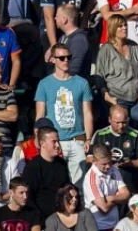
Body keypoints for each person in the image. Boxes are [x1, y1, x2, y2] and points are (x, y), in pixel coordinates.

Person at [34, 44, 94, 185]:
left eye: (69, 57)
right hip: (55, 141)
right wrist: (38, 136)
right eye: (61, 58)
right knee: (55, 183)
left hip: (77, 140)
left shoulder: (82, 83)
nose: (66, 60)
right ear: (53, 60)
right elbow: (40, 115)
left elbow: (87, 113)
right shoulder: (44, 84)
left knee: (78, 186)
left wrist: (88, 139)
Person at [96, 14, 138, 145]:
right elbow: (99, 77)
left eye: (125, 25)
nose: (124, 28)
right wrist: (107, 97)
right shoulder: (106, 49)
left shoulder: (134, 46)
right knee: (120, 132)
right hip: (117, 99)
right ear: (113, 28)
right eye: (120, 26)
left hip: (136, 100)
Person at [89, 105, 138, 193]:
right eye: (117, 123)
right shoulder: (100, 135)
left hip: (129, 182)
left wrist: (131, 163)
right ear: (109, 119)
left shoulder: (136, 135)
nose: (121, 126)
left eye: (124, 122)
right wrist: (105, 164)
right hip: (105, 182)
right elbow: (89, 158)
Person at [21, 125, 70, 219]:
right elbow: (28, 197)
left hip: (63, 217)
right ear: (42, 143)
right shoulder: (33, 167)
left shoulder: (62, 164)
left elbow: (67, 189)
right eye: (54, 142)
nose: (57, 145)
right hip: (42, 220)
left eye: (58, 141)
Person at [82, 144, 130, 229]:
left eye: (110, 162)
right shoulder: (91, 178)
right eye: (104, 164)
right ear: (94, 161)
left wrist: (110, 198)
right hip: (97, 226)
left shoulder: (114, 170)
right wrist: (118, 198)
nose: (108, 166)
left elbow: (126, 194)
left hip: (115, 224)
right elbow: (104, 208)